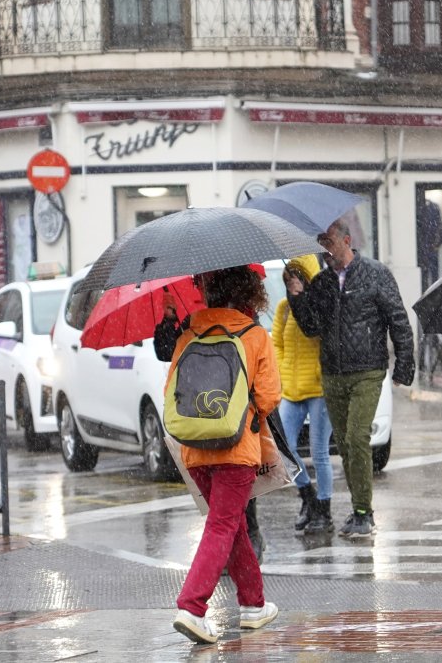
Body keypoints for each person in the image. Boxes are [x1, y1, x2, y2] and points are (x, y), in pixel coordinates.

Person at [168, 266, 282, 644]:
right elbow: (268, 398)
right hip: (236, 447)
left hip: (196, 449)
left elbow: (173, 389)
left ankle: (253, 604)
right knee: (223, 525)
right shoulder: (254, 335)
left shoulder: (189, 334)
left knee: (230, 527)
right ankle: (192, 606)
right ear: (250, 296)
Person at [285, 220, 415, 538]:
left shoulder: (375, 273)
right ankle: (358, 509)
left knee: (357, 437)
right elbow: (311, 327)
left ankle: (363, 512)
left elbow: (398, 319)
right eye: (320, 243)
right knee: (343, 443)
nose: (325, 249)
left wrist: (404, 367)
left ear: (346, 240)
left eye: (329, 241)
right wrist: (297, 297)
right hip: (333, 373)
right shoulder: (322, 282)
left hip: (367, 370)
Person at [156, 276, 266, 564]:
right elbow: (165, 351)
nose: (199, 288)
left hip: (227, 417)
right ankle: (241, 559)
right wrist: (169, 321)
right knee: (228, 505)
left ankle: (243, 545)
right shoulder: (196, 323)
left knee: (232, 501)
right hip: (216, 418)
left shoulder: (244, 323)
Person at [272, 255, 334, 534]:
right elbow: (277, 345)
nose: (292, 283)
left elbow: (316, 334)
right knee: (284, 449)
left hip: (318, 389)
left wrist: (301, 299)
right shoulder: (284, 308)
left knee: (320, 453)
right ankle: (307, 497)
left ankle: (324, 510)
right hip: (292, 390)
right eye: (287, 279)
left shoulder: (317, 305)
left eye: (297, 278)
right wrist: (283, 375)